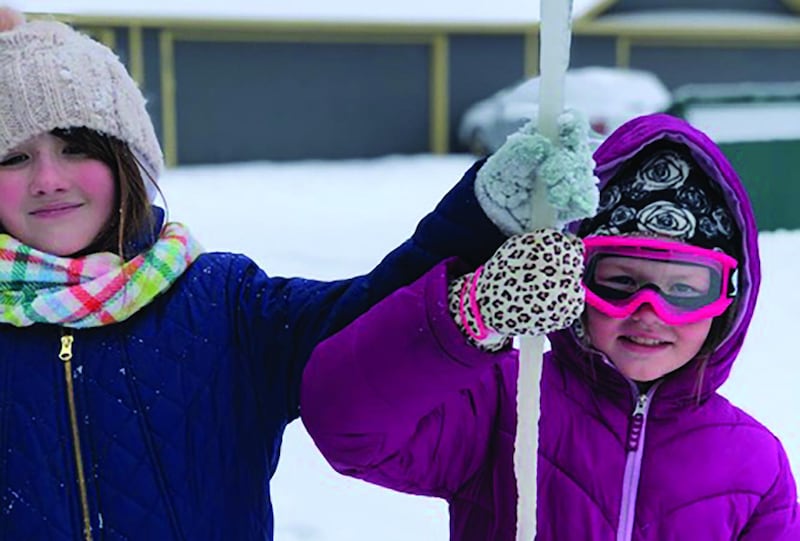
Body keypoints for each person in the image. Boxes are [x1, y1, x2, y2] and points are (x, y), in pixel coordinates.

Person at [0, 8, 597, 540]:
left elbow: (365, 318)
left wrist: (481, 215)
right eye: (15, 156)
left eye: (77, 148)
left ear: (126, 158)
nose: (49, 179)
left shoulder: (220, 303)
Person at [301, 112, 800, 539]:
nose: (650, 311)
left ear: (728, 302)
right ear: (573, 276)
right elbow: (348, 425)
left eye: (686, 290)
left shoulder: (756, 465)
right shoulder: (507, 402)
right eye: (620, 281)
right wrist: (468, 316)